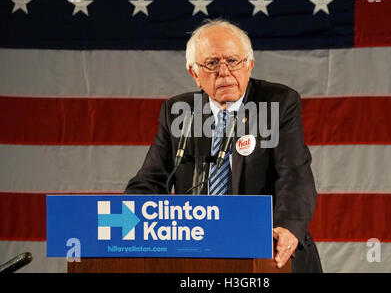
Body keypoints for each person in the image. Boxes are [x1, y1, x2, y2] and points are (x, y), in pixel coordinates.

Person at [125, 18, 322, 273]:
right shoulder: (179, 112)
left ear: (249, 65)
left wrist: (287, 226)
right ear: (195, 73)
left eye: (233, 61)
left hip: (268, 251)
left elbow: (294, 175)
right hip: (196, 254)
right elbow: (149, 181)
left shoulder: (277, 103)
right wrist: (131, 219)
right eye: (212, 63)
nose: (224, 72)